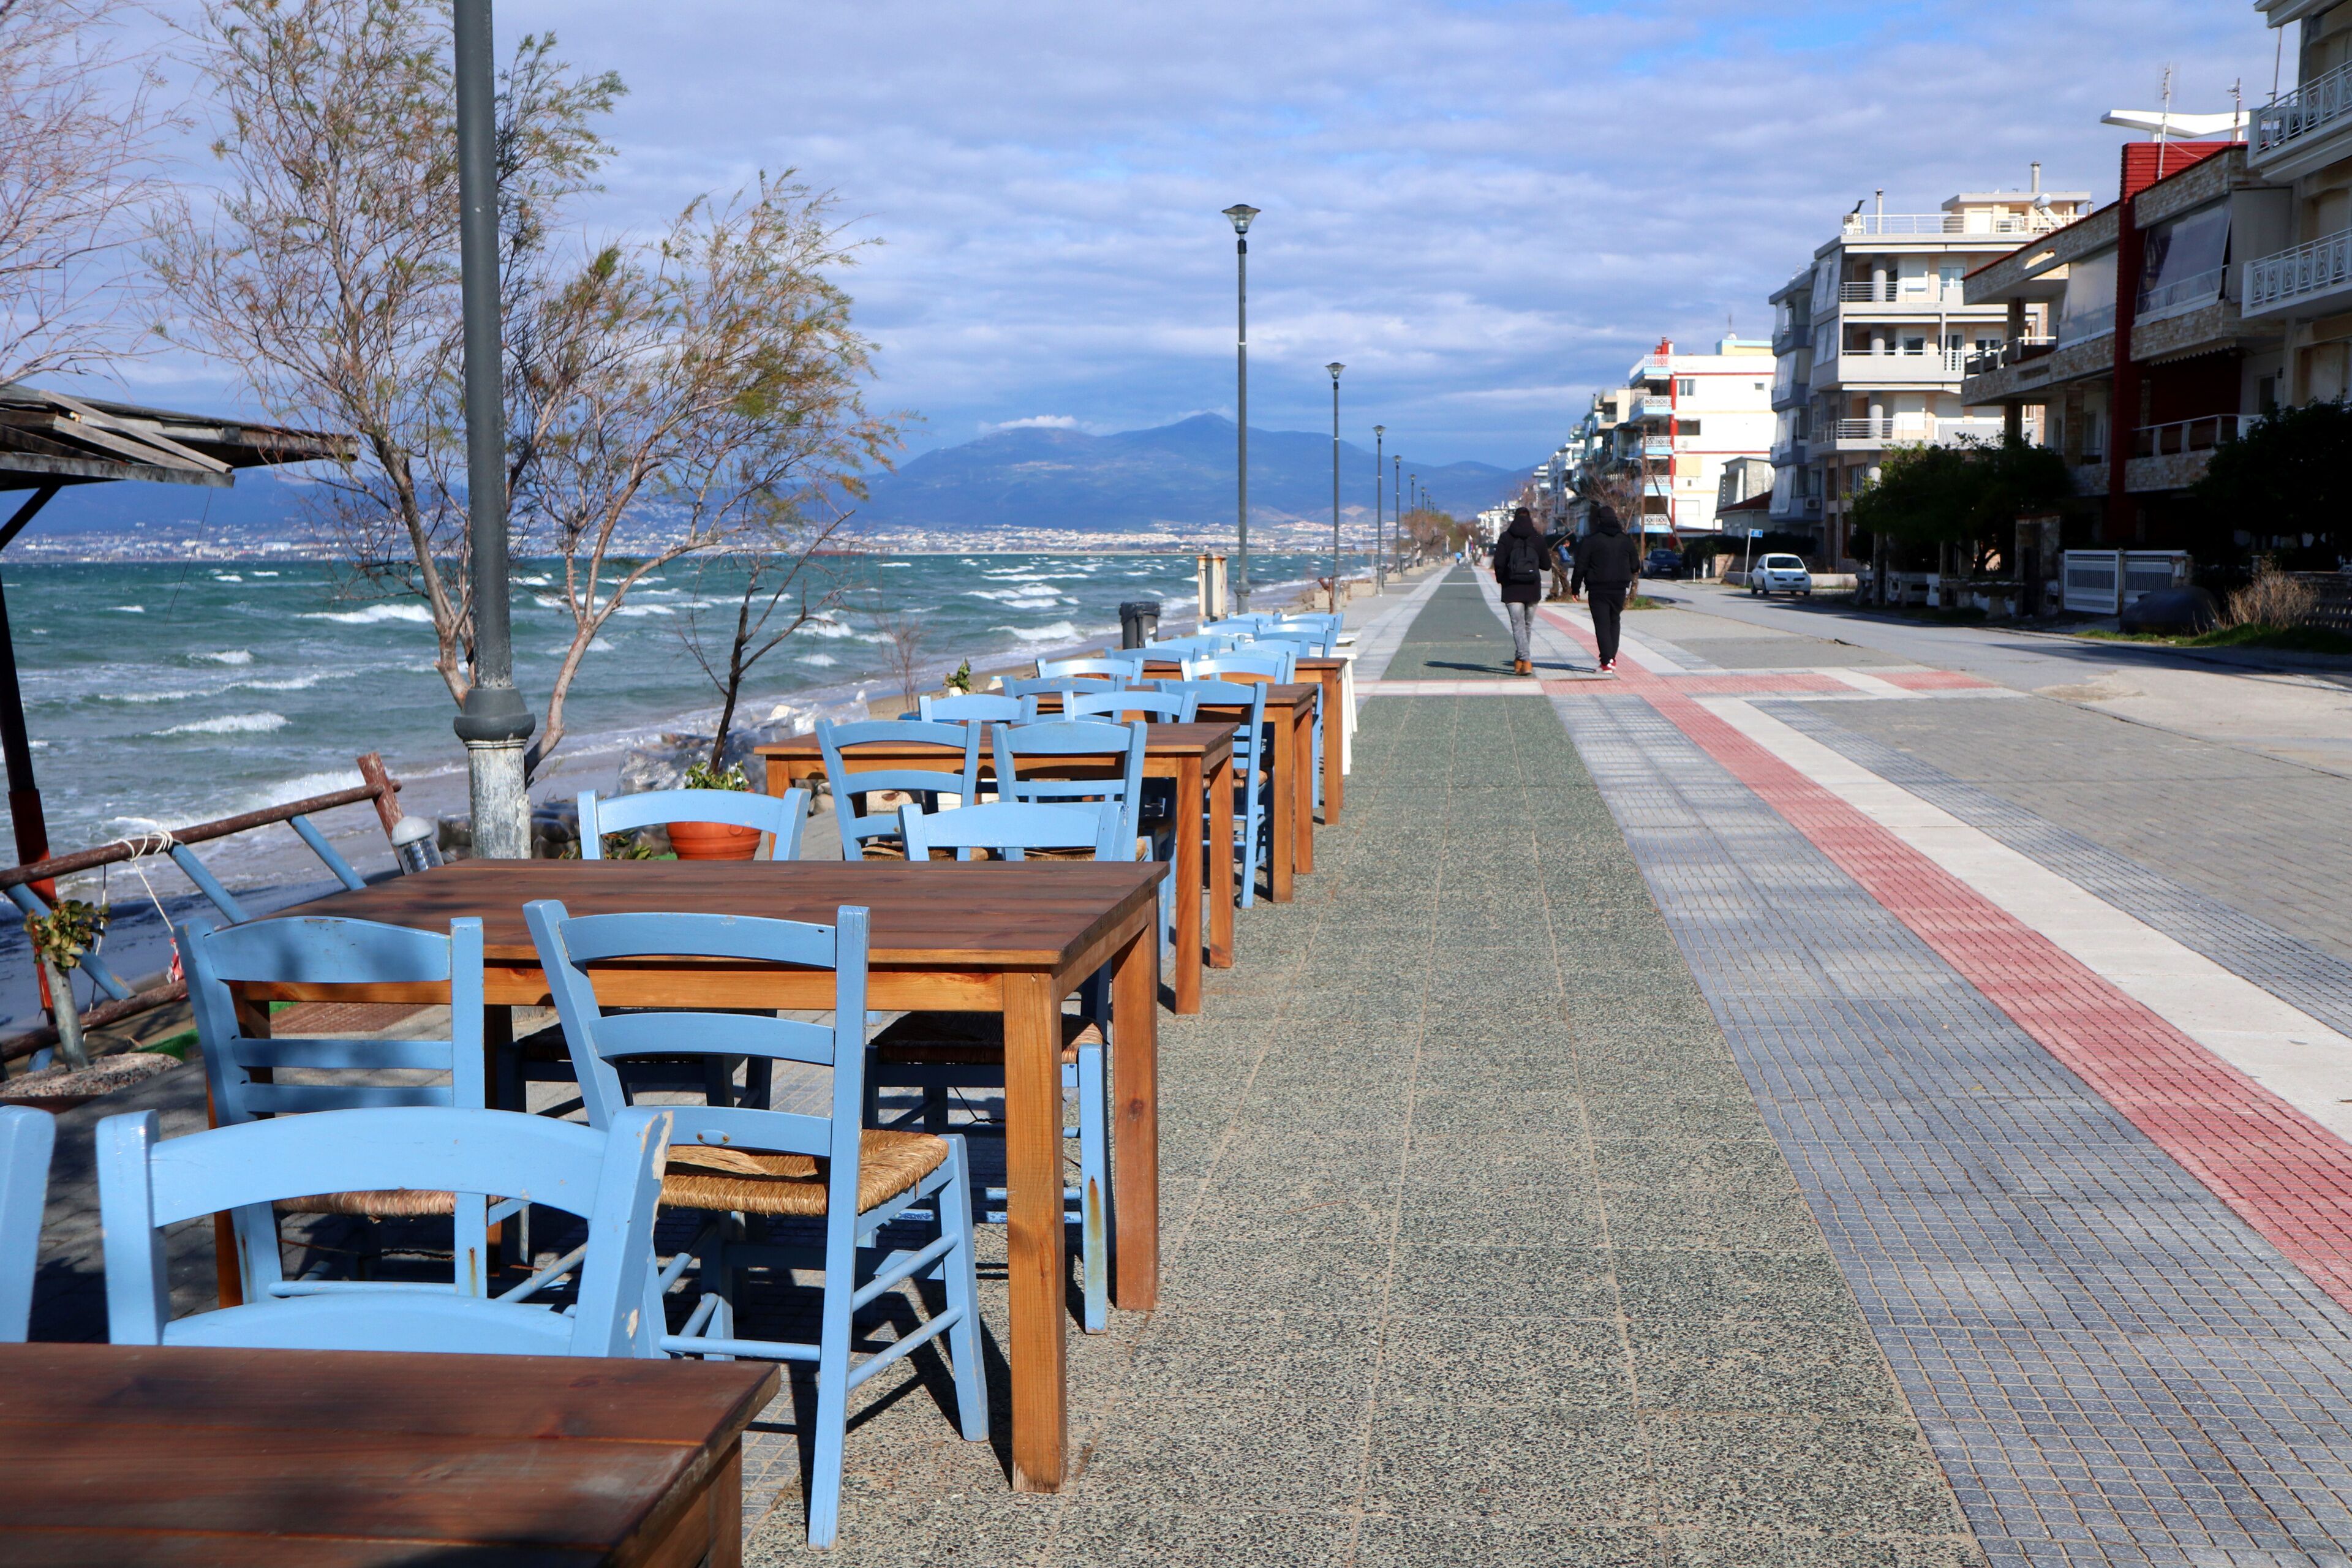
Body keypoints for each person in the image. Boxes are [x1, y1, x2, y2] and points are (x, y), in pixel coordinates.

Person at [1570, 503, 1642, 673]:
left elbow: (1580, 566)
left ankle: (1606, 662)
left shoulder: (1591, 541)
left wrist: (1575, 588)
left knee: (1602, 624)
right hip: (1619, 589)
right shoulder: (1625, 540)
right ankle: (1611, 659)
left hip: (1598, 589)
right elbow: (1635, 565)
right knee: (1614, 621)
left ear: (1599, 521)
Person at [1488, 505, 1552, 677]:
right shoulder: (1538, 538)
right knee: (1527, 626)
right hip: (1532, 588)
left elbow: (1499, 563)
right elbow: (1547, 565)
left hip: (1512, 588)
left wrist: (1502, 580)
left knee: (1518, 626)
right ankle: (1521, 660)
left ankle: (1525, 659)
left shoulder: (1505, 538)